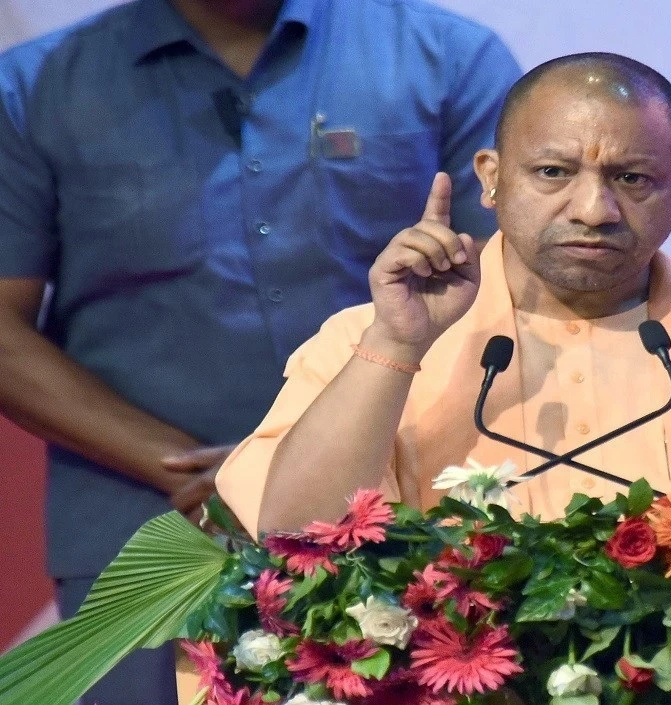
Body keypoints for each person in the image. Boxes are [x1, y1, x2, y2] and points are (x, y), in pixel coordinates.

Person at [215, 51, 671, 548]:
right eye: (553, 172)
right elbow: (293, 540)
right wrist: (398, 345)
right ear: (491, 178)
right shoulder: (369, 337)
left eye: (632, 178)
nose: (593, 209)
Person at [0, 0, 520, 702]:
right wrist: (201, 469)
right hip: (145, 526)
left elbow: (509, 285)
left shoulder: (447, 59)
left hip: (397, 514)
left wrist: (303, 463)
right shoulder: (35, 87)